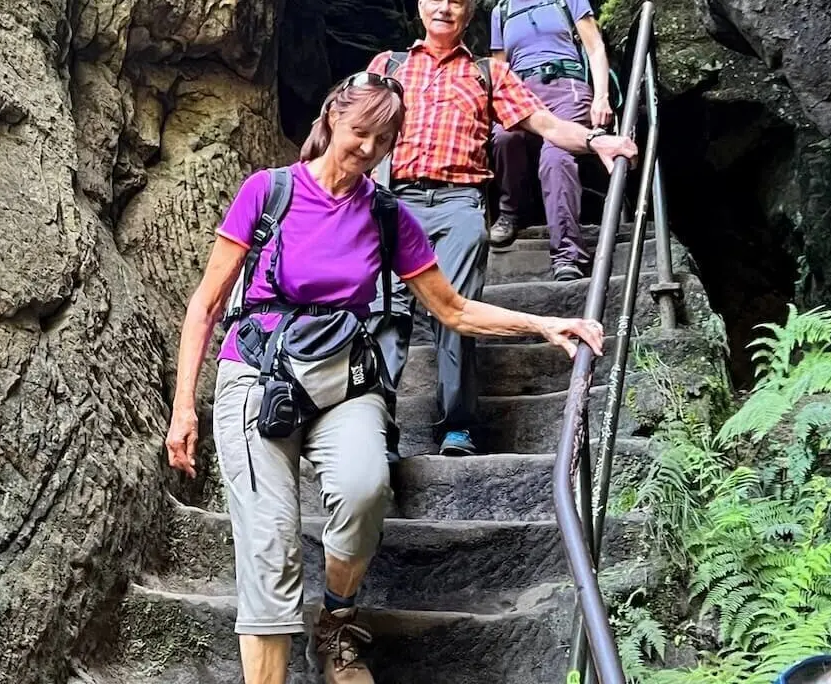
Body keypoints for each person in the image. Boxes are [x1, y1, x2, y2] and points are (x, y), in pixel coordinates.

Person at [164, 72, 606, 684]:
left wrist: (545, 325)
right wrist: (185, 406)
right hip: (258, 375)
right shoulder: (268, 192)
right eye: (360, 133)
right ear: (331, 120)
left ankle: (337, 621)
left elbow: (452, 309)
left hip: (345, 376)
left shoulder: (388, 215)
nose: (369, 150)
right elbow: (206, 303)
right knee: (270, 548)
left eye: (384, 139)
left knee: (366, 487)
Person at [365, 0, 637, 456]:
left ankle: (458, 424)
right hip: (394, 200)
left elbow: (547, 124)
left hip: (459, 204)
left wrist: (594, 139)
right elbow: (350, 130)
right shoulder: (388, 66)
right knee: (384, 315)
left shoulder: (487, 74)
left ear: (469, 14)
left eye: (458, 2)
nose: (446, 8)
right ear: (420, 5)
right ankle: (374, 429)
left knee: (456, 314)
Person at [488, 0, 616, 281]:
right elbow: (498, 72)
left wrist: (601, 97)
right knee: (503, 138)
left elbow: (594, 47)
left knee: (555, 155)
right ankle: (512, 213)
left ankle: (568, 254)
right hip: (521, 93)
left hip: (567, 86)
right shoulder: (502, 11)